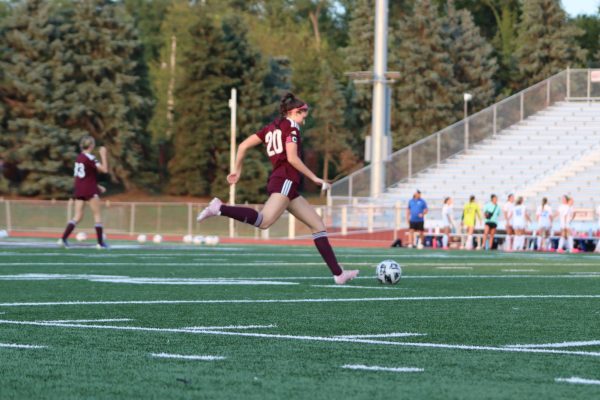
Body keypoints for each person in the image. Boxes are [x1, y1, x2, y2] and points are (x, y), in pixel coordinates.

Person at [196, 92, 358, 285]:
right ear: (294, 112)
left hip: (284, 183)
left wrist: (236, 170)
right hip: (285, 180)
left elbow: (243, 145)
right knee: (264, 222)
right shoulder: (292, 128)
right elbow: (292, 158)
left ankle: (338, 274)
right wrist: (314, 178)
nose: (306, 117)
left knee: (317, 225)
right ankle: (220, 208)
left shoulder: (271, 127)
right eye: (304, 112)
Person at [58, 135, 109, 248]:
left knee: (77, 216)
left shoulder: (79, 157)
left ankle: (63, 239)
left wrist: (97, 185)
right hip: (89, 189)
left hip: (79, 188)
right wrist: (103, 155)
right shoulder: (91, 157)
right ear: (91, 145)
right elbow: (104, 170)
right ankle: (100, 243)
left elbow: (84, 176)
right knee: (97, 215)